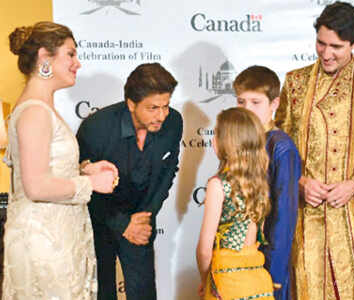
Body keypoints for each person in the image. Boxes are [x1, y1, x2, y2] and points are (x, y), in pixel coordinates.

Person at [275, 2, 354, 299]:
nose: (326, 53)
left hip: (352, 215)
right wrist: (299, 181)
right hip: (305, 214)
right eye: (321, 43)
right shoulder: (295, 82)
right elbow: (278, 142)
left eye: (336, 46)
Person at [2, 21, 118, 299]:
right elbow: (36, 186)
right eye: (70, 54)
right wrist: (91, 183)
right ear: (45, 57)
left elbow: (43, 164)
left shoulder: (40, 107)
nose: (78, 63)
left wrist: (84, 169)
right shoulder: (35, 112)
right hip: (43, 243)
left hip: (55, 238)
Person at [76, 62, 183, 300]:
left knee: (143, 292)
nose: (162, 115)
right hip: (100, 222)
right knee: (102, 293)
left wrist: (146, 216)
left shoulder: (174, 122)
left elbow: (167, 172)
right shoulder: (96, 128)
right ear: (131, 104)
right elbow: (83, 186)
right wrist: (123, 225)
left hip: (141, 221)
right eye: (153, 108)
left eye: (166, 106)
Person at [234, 66, 301, 300]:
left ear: (274, 104)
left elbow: (284, 216)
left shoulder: (281, 147)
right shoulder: (241, 142)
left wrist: (275, 273)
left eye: (255, 102)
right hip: (239, 258)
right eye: (241, 102)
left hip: (266, 262)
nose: (247, 109)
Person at [196, 107, 275, 300]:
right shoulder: (259, 183)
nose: (213, 139)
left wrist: (205, 279)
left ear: (227, 143)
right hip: (259, 281)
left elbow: (204, 250)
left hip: (227, 283)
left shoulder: (218, 185)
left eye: (216, 134)